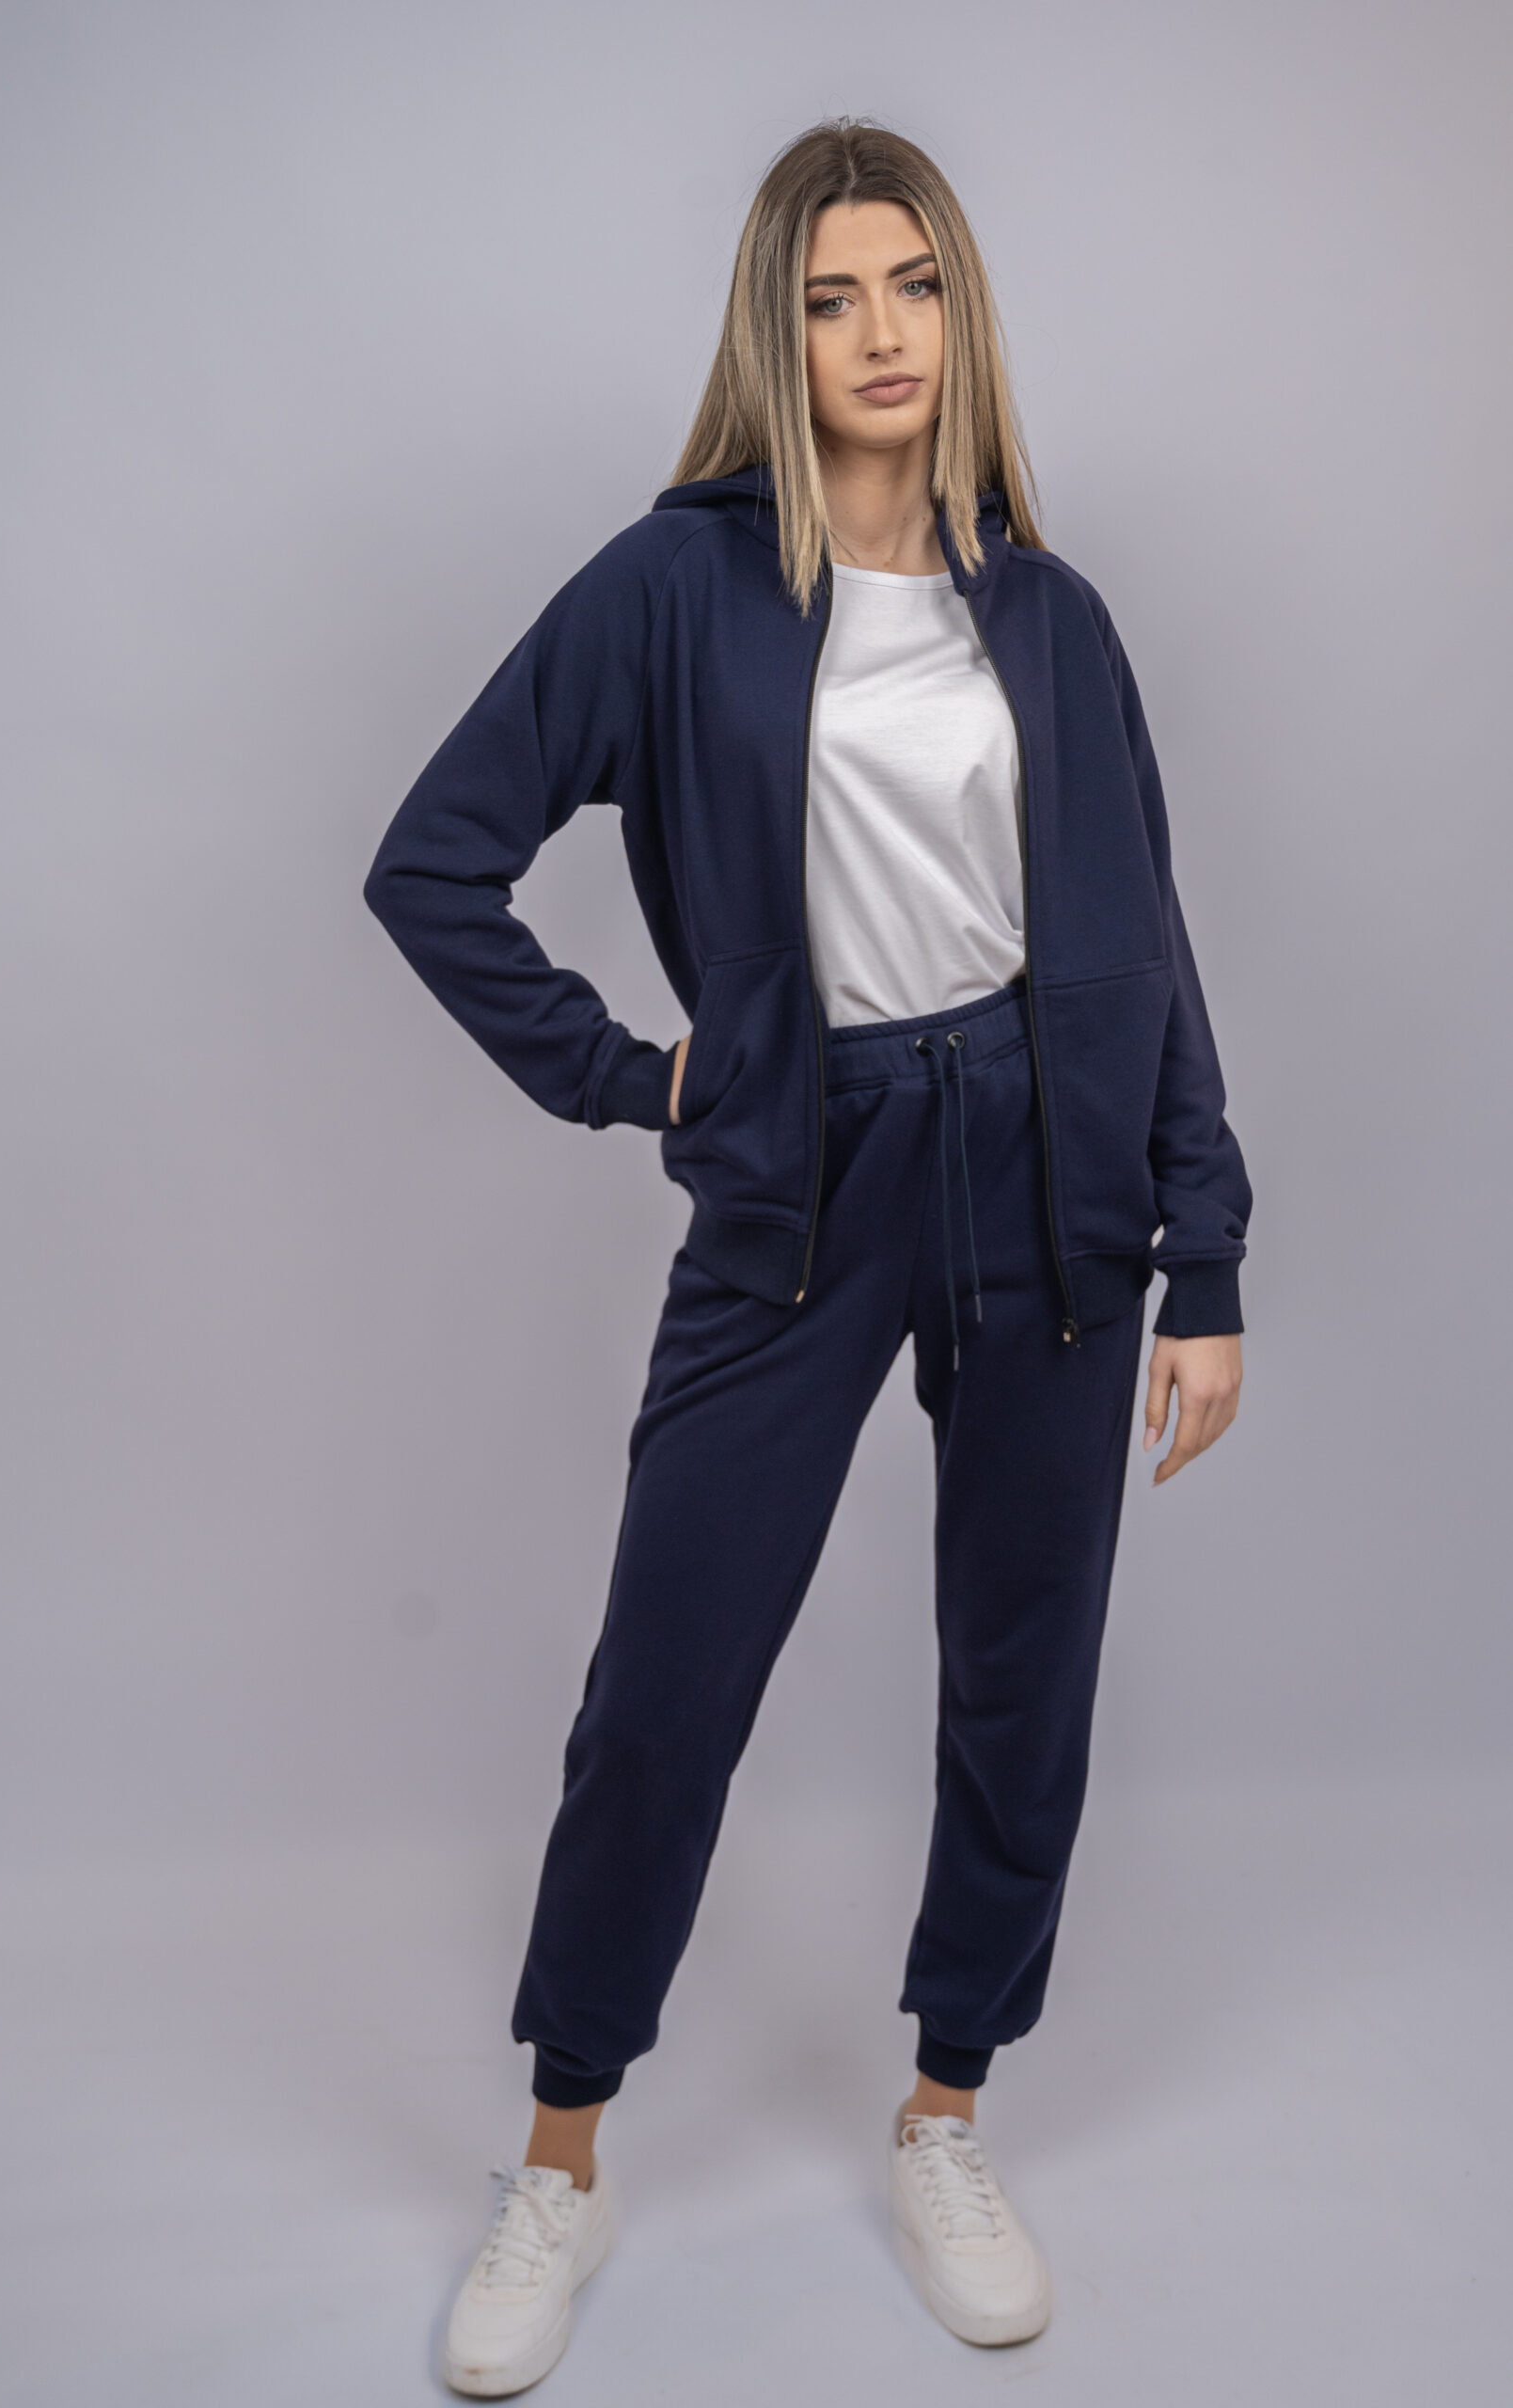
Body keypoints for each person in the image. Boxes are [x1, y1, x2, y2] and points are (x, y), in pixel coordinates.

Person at [363, 116, 1251, 2398]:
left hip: (1051, 1177)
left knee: (1021, 1677)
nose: (881, 334)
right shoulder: (676, 590)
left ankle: (948, 2108)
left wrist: (1211, 1251)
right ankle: (561, 2158)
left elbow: (1143, 941)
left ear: (964, 314)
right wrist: (638, 1076)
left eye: (916, 286)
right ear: (778, 328)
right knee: (668, 1682)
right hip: (808, 1172)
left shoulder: (1050, 613)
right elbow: (435, 860)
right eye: (834, 295)